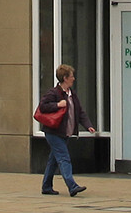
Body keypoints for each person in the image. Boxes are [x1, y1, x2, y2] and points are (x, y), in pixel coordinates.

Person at [35, 63, 92, 198]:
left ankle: (46, 186)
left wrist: (88, 125)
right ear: (65, 78)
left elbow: (80, 112)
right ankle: (72, 186)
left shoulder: (72, 94)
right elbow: (42, 107)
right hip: (53, 132)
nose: (74, 79)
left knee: (54, 160)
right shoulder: (53, 93)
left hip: (65, 132)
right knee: (64, 158)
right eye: (72, 76)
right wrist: (57, 105)